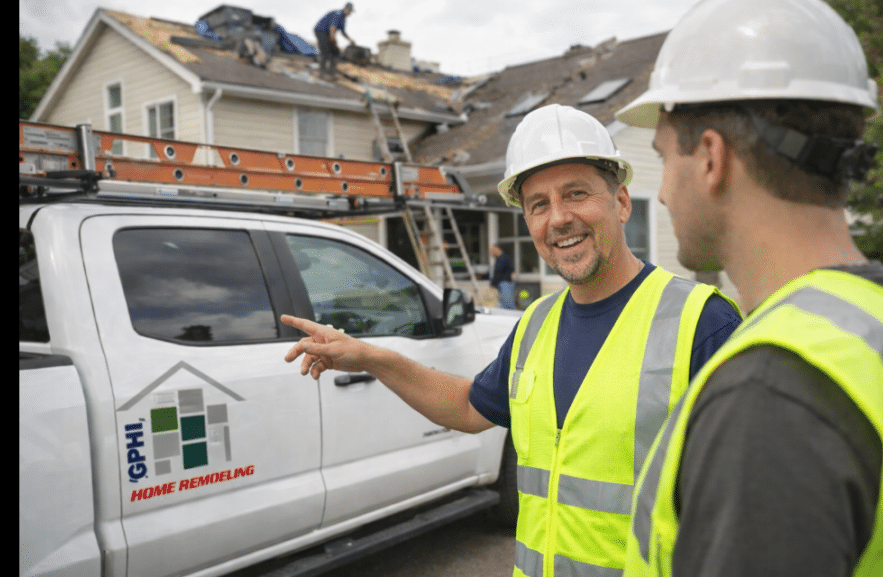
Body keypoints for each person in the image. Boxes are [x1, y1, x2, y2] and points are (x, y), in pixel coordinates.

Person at [282, 103, 742, 577]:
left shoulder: (701, 324)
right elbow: (467, 408)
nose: (558, 218)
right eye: (538, 204)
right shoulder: (536, 324)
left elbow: (747, 513)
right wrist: (374, 358)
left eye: (576, 194)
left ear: (622, 203)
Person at [612, 0, 883, 575]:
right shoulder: (868, 318)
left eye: (664, 158)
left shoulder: (768, 398)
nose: (660, 195)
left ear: (712, 157)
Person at [313, 3, 355, 79]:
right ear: (345, 9)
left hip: (328, 33)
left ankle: (330, 73)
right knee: (326, 52)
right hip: (321, 31)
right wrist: (333, 40)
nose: (350, 13)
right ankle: (322, 74)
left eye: (351, 11)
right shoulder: (337, 14)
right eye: (349, 11)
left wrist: (350, 40)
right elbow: (332, 28)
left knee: (336, 53)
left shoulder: (343, 19)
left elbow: (343, 32)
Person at [489, 243, 516, 309]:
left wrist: (493, 283)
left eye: (493, 250)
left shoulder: (504, 258)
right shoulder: (500, 259)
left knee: (508, 304)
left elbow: (499, 273)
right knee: (503, 304)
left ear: (498, 249)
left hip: (505, 284)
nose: (491, 252)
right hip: (502, 284)